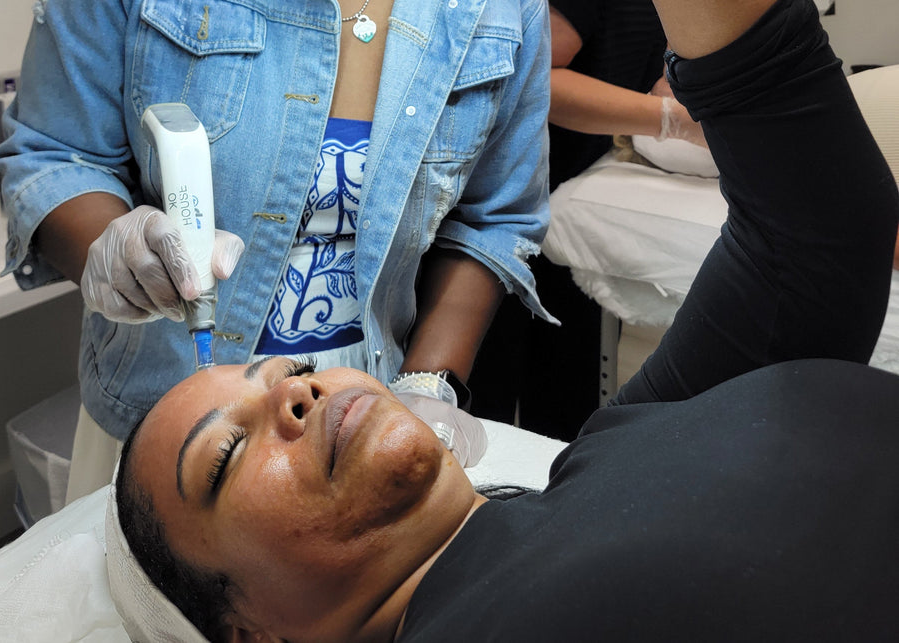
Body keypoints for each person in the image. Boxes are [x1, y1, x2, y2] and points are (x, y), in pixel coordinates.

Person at [109, 0, 899, 640]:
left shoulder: (612, 444)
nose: (297, 394)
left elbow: (817, 238)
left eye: (296, 370)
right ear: (252, 634)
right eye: (224, 455)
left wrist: (427, 377)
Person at [0, 0, 552, 500]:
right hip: (166, 401)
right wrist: (116, 251)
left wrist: (429, 384)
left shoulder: (502, 11)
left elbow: (493, 217)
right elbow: (55, 153)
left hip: (372, 401)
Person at [469, 0, 705, 440]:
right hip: (505, 205)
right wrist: (670, 121)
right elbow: (536, 76)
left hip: (568, 194)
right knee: (485, 407)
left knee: (564, 408)